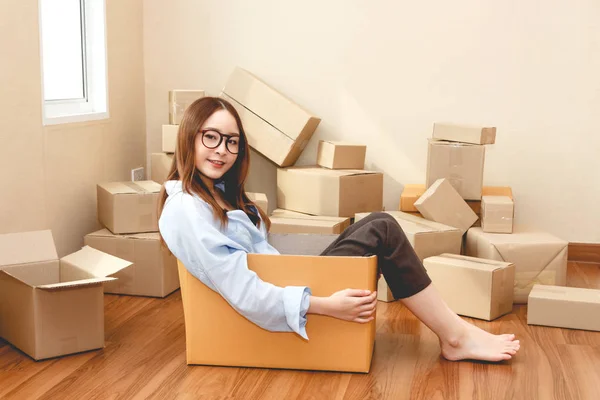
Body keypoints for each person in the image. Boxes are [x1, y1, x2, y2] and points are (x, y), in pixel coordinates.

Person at [158, 97, 520, 362]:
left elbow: (261, 257)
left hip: (287, 278)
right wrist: (326, 306)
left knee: (380, 225)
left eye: (232, 141)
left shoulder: (216, 194)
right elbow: (243, 291)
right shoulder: (187, 211)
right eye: (211, 137)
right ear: (189, 138)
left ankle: (455, 330)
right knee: (383, 229)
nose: (222, 150)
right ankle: (455, 335)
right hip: (286, 300)